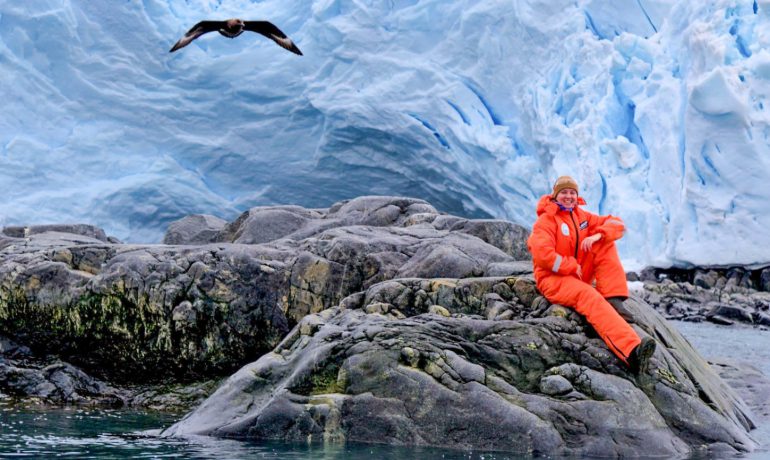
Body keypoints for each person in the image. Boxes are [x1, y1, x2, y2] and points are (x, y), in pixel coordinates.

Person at [527, 175, 655, 374]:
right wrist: (569, 266)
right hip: (553, 279)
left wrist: (599, 234)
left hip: (577, 274)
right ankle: (631, 352)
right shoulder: (546, 220)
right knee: (589, 296)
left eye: (572, 192)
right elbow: (542, 255)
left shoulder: (582, 217)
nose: (568, 196)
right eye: (564, 192)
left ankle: (613, 298)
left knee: (605, 242)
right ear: (555, 196)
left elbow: (617, 224)